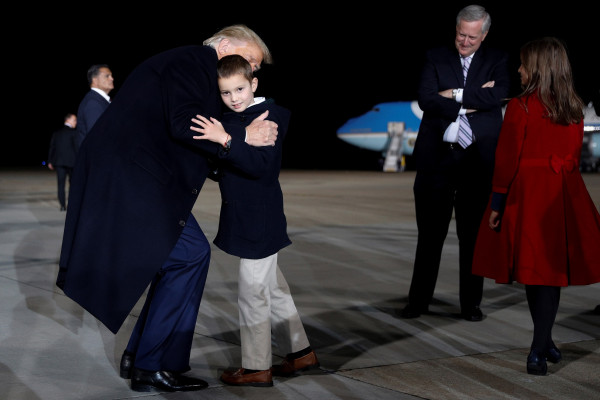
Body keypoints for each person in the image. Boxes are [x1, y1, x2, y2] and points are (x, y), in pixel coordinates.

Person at [55, 25, 279, 393]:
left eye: (254, 69)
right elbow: (184, 122)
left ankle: (141, 356)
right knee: (190, 255)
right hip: (133, 177)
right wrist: (240, 137)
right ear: (223, 45)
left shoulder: (192, 68)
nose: (251, 70)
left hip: (134, 175)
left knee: (177, 257)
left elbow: (189, 134)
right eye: (249, 59)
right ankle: (152, 366)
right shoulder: (194, 61)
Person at [472, 37, 600, 375]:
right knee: (550, 275)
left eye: (524, 64)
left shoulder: (521, 106)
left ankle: (537, 349)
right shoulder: (573, 106)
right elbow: (572, 156)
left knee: (535, 273)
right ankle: (545, 342)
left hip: (530, 197)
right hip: (565, 197)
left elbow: (507, 159)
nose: (519, 69)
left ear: (538, 68)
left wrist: (498, 201)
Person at [190, 54, 319, 387]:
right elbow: (221, 164)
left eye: (239, 89)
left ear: (254, 84)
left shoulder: (268, 117)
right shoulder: (236, 119)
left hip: (259, 216)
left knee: (252, 293)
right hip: (246, 213)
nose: (234, 98)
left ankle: (256, 367)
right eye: (226, 93)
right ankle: (300, 352)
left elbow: (260, 167)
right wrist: (228, 142)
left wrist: (228, 140)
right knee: (273, 289)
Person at [400, 4, 510, 321]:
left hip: (477, 162)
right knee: (430, 236)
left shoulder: (497, 60)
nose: (464, 42)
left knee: (472, 238)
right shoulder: (436, 56)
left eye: (472, 37)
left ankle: (470, 304)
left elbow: (499, 96)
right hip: (437, 160)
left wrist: (453, 95)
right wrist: (474, 98)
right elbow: (426, 98)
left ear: (484, 35)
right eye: (461, 34)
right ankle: (418, 301)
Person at [76, 64, 114, 146]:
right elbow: (97, 138)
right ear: (95, 80)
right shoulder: (93, 103)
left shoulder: (99, 100)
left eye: (111, 76)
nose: (112, 79)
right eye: (107, 76)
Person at [47, 113, 78, 211]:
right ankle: (72, 204)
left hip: (59, 162)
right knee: (73, 184)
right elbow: (77, 148)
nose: (76, 122)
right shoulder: (74, 133)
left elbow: (52, 148)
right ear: (68, 120)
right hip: (72, 162)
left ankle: (62, 205)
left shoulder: (57, 133)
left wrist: (50, 161)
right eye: (74, 120)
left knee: (61, 185)